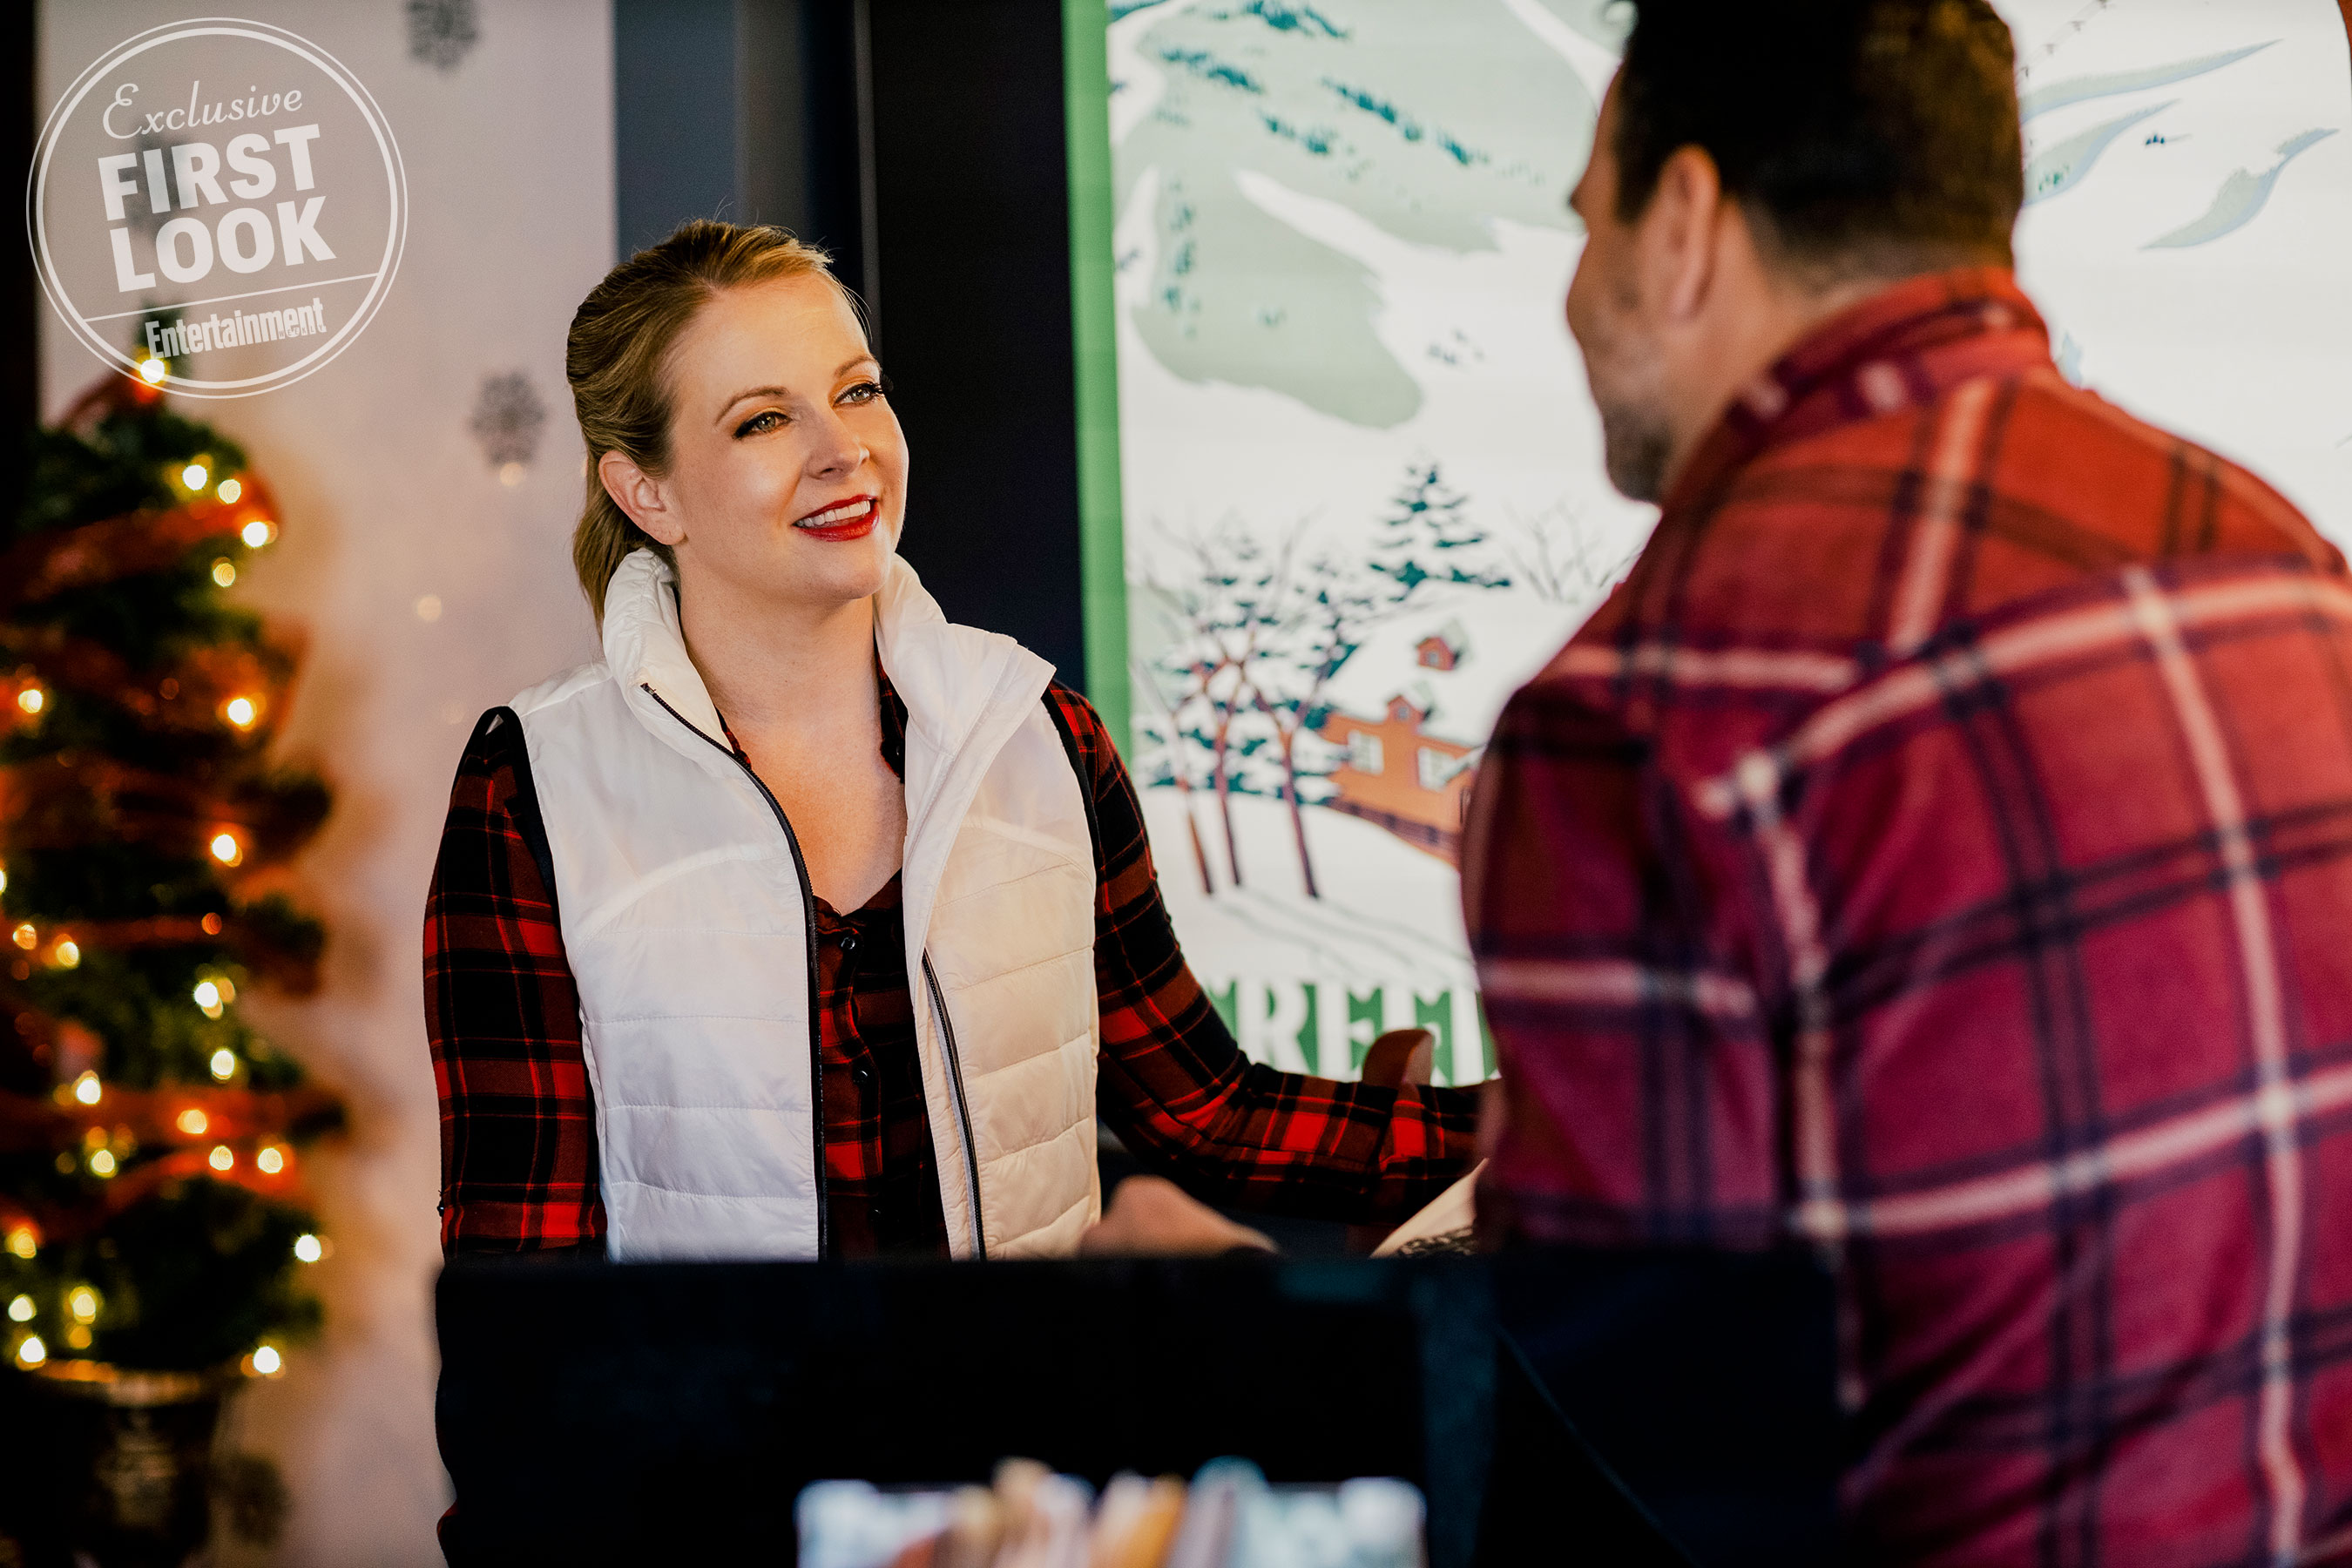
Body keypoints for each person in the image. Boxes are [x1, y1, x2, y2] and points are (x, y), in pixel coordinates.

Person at [1465, 1, 2352, 1561]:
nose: (1577, 294)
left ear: (1681, 224)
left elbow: (1662, 1426)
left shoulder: (1643, 712)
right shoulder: (2276, 555)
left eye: (1585, 222)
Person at [425, 220, 1475, 1265]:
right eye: (761, 422)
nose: (845, 452)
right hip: (720, 1435)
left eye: (857, 390)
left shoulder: (1041, 734)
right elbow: (518, 1278)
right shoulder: (534, 785)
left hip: (1028, 1430)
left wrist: (1567, 1129)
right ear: (645, 493)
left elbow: (1209, 1111)